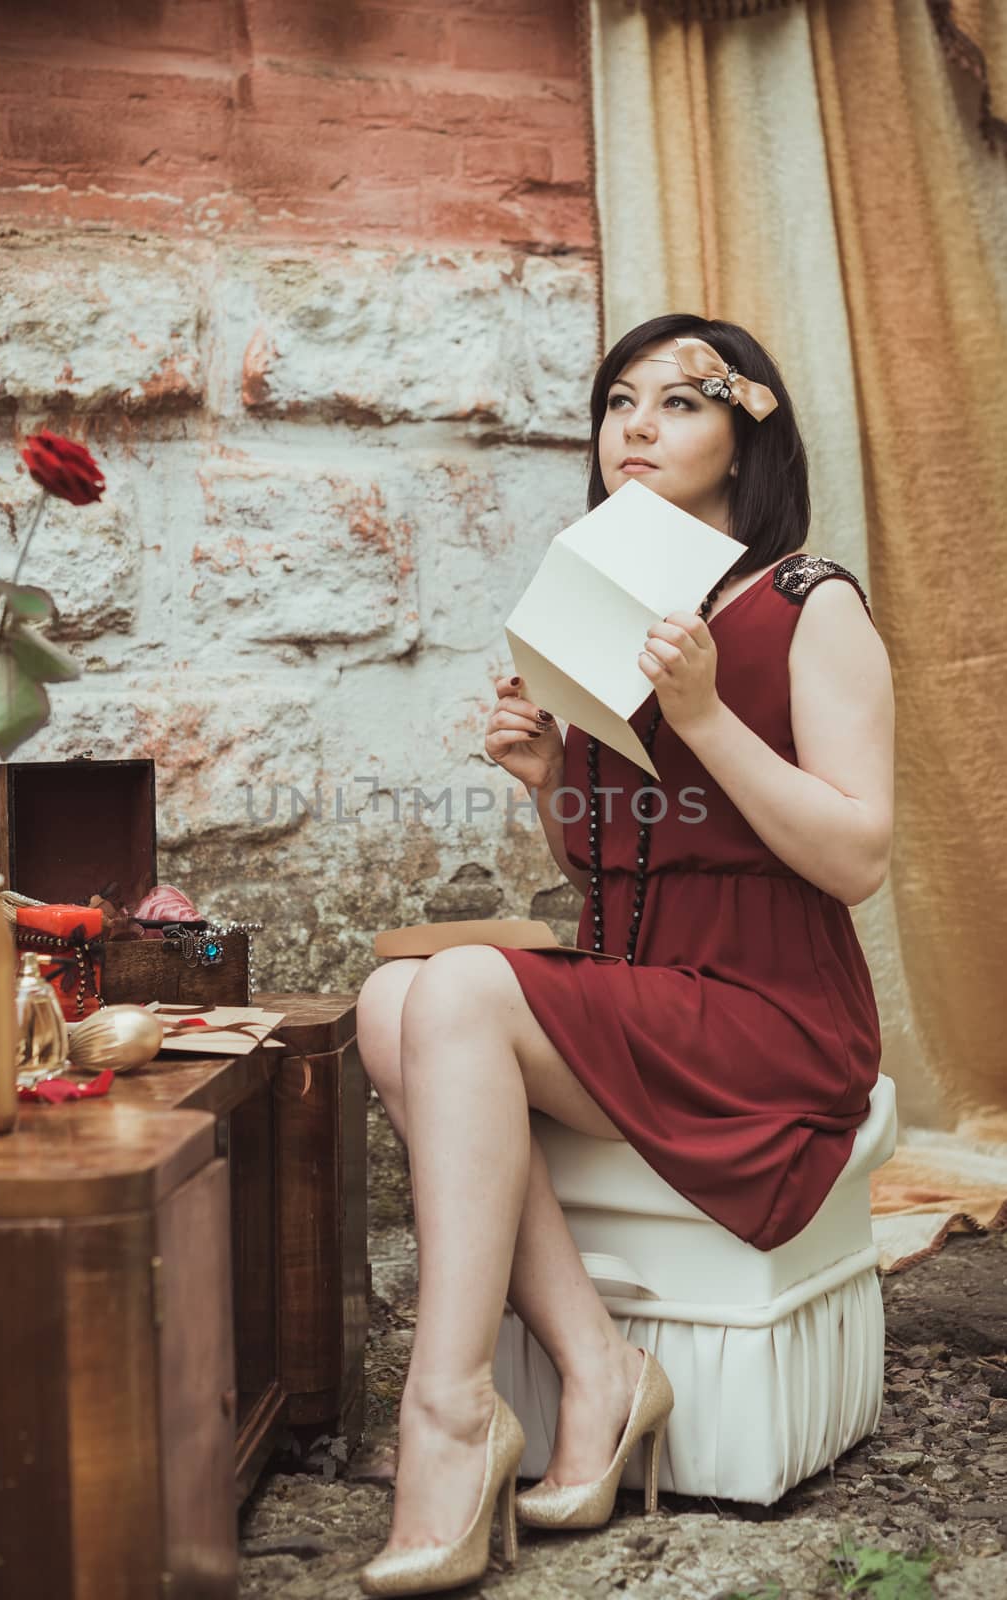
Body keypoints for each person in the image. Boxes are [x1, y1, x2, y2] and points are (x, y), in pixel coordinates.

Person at [355, 314, 895, 1596]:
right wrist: (551, 783)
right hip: (656, 992)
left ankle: (447, 1412)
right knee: (388, 1000)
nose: (636, 426)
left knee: (464, 985)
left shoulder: (809, 603)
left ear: (746, 437)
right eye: (616, 403)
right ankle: (601, 1366)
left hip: (777, 1018)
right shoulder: (607, 607)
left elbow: (857, 855)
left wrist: (702, 713)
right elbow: (620, 868)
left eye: (680, 402)